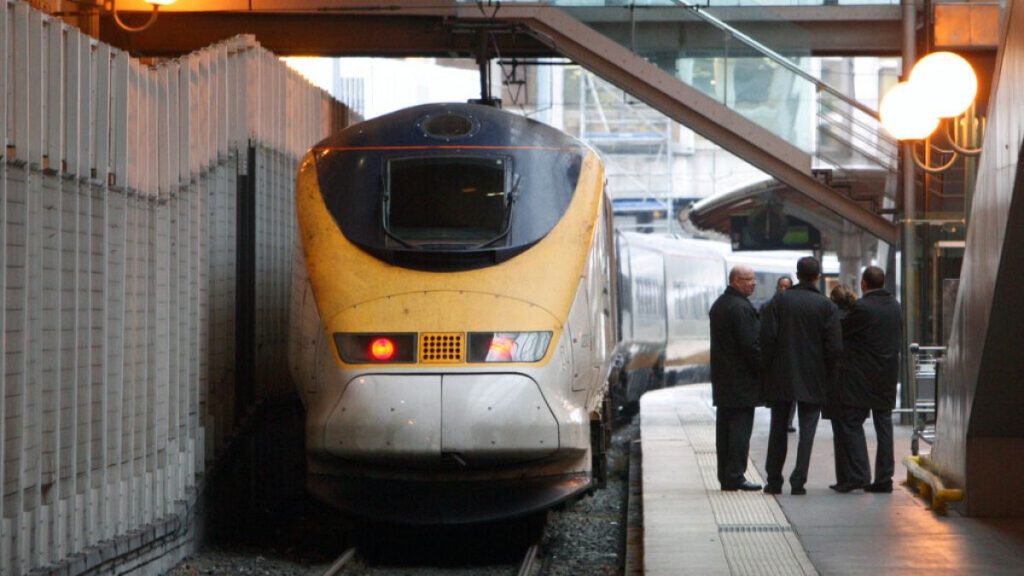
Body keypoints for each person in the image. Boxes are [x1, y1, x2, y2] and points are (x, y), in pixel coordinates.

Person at [760, 257, 842, 495]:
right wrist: (827, 373)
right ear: (818, 276)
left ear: (797, 274)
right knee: (807, 431)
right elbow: (834, 347)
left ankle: (774, 480)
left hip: (781, 376)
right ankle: (799, 481)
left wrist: (767, 370)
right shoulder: (826, 306)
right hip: (814, 377)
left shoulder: (779, 301)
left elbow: (767, 338)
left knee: (778, 429)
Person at [831, 266, 903, 493]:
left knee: (852, 423)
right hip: (887, 375)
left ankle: (860, 474)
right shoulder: (895, 306)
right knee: (884, 426)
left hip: (861, 377)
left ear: (863, 284)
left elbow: (840, 329)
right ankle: (884, 478)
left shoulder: (862, 307)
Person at [709, 265, 762, 491]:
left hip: (723, 379)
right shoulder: (741, 308)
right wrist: (764, 369)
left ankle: (725, 475)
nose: (754, 283)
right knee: (740, 430)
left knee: (725, 431)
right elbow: (750, 346)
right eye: (749, 279)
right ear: (736, 281)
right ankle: (736, 475)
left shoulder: (720, 304)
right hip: (742, 381)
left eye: (754, 279)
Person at [826, 284, 858, 490]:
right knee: (850, 426)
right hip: (854, 377)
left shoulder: (832, 319)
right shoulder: (857, 317)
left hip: (834, 378)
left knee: (840, 428)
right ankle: (852, 476)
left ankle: (845, 478)